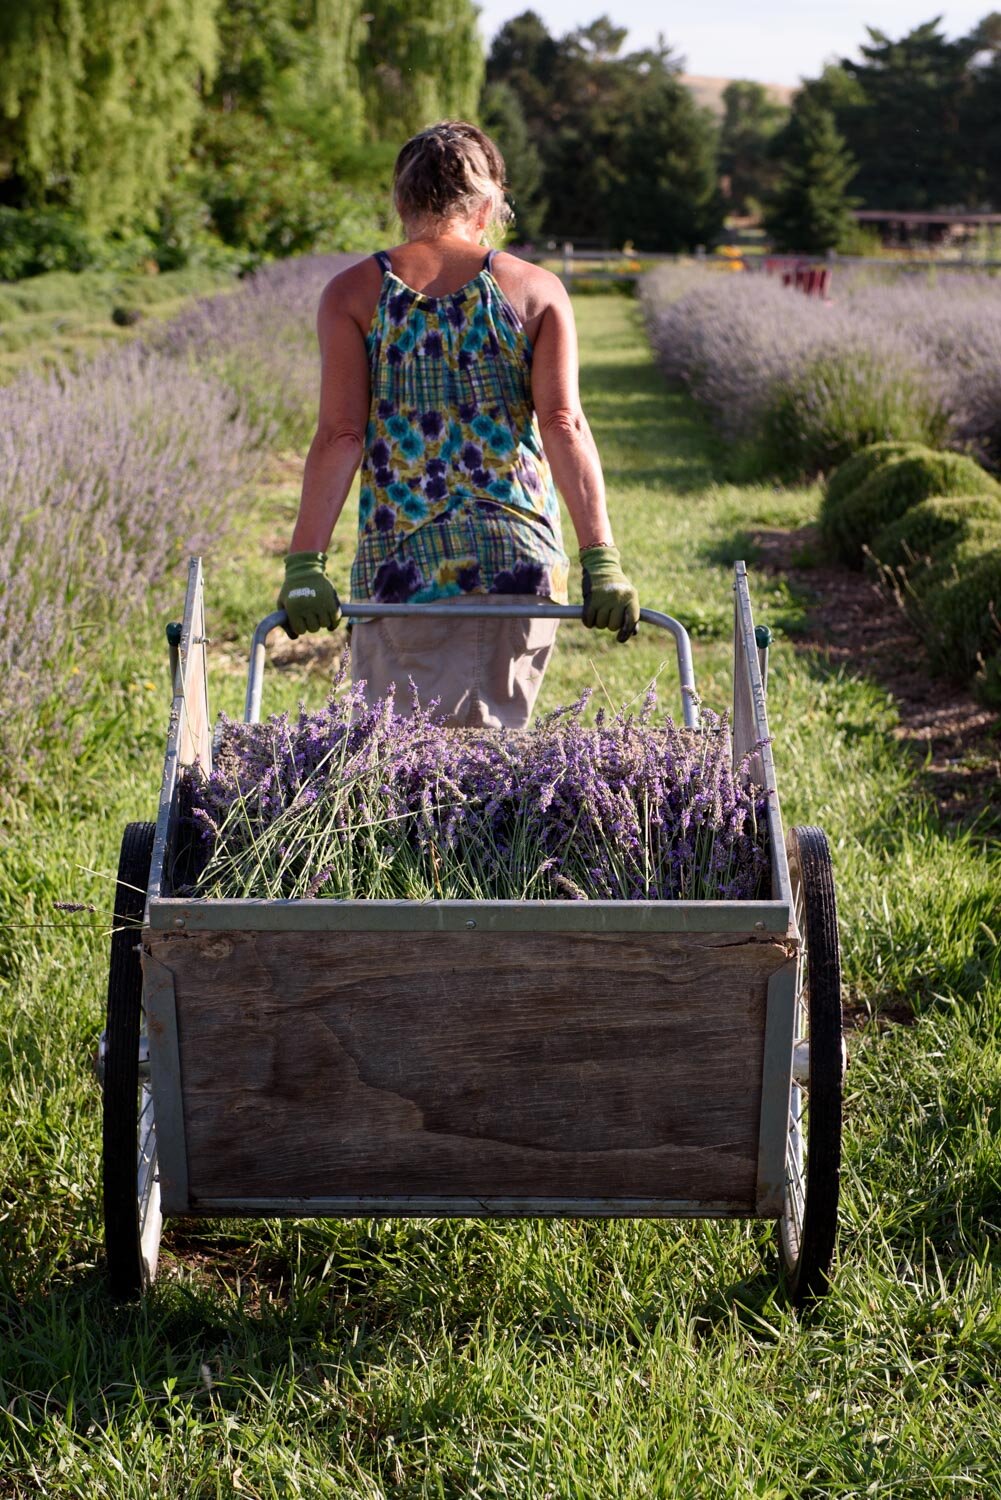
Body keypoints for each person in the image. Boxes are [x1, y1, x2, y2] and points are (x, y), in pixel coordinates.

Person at [279, 119, 639, 729]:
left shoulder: (354, 294)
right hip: (517, 558)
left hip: (404, 564)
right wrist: (599, 557)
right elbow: (563, 423)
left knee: (412, 781)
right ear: (487, 204)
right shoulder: (535, 289)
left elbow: (341, 436)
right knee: (475, 772)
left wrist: (304, 564)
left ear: (401, 203)